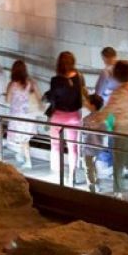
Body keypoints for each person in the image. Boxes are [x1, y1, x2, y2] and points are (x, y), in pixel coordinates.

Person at [99, 60, 128, 198]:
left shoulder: (118, 93)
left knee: (118, 165)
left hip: (121, 133)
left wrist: (96, 121)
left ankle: (118, 193)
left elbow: (107, 113)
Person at [44, 51, 85, 184]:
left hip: (59, 116)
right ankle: (72, 175)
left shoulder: (55, 80)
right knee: (73, 146)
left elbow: (53, 98)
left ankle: (59, 173)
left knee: (56, 145)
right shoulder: (79, 76)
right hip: (74, 116)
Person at [5, 60, 42, 169]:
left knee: (22, 140)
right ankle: (22, 155)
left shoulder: (12, 85)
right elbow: (39, 97)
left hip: (17, 117)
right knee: (24, 139)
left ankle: (28, 161)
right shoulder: (31, 83)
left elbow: (7, 100)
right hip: (29, 115)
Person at [81, 94, 108, 193]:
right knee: (93, 165)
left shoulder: (86, 119)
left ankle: (91, 186)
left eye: (87, 103)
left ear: (92, 105)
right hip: (99, 145)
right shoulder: (103, 118)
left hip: (88, 146)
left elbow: (84, 132)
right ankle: (96, 183)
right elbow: (106, 131)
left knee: (88, 166)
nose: (85, 104)